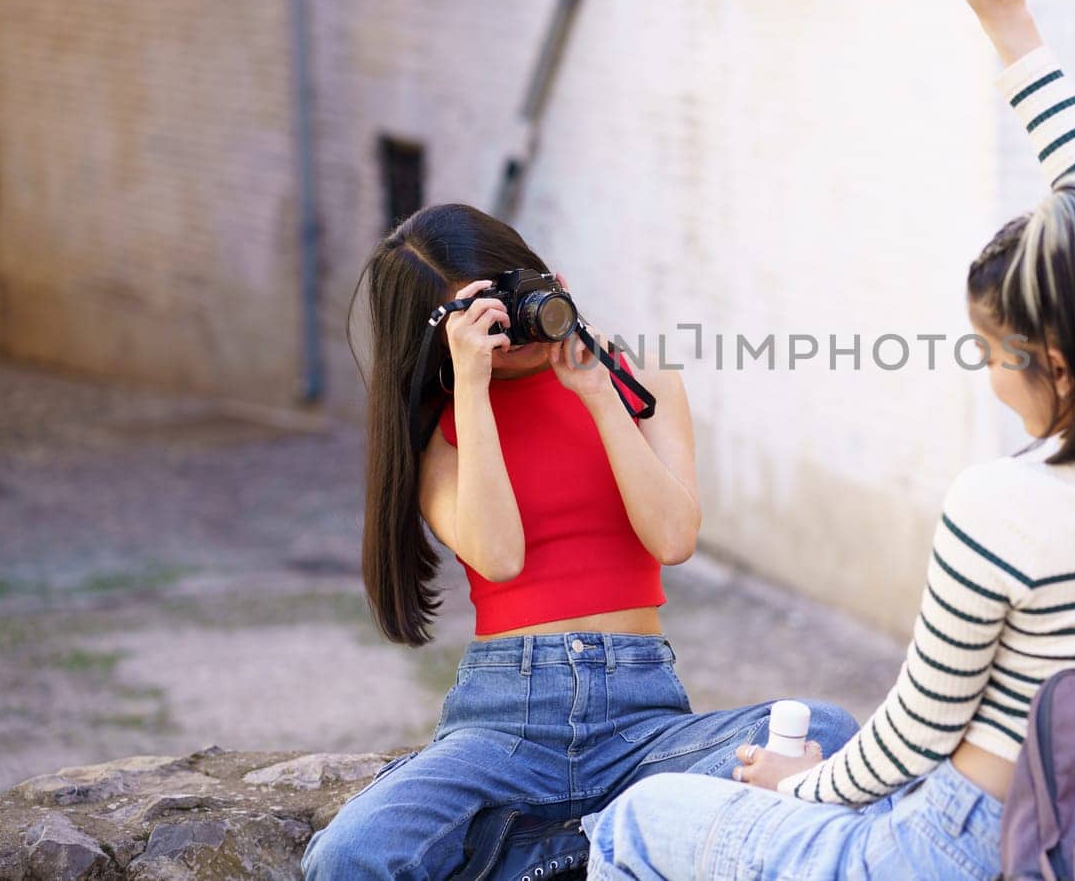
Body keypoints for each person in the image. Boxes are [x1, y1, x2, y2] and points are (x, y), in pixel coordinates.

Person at [578, 0, 1075, 880]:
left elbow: (916, 729)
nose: (987, 372)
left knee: (639, 820)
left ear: (1054, 368)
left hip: (965, 840)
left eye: (995, 354)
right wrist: (1011, 25)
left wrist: (795, 787)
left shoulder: (1003, 505)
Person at [300, 203, 860, 879]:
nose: (511, 322)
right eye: (482, 317)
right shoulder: (441, 433)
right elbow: (499, 555)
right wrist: (472, 386)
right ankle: (615, 836)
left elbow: (675, 536)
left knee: (824, 734)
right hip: (503, 727)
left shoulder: (640, 378)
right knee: (349, 852)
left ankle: (541, 847)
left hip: (643, 724)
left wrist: (598, 392)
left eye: (514, 290)